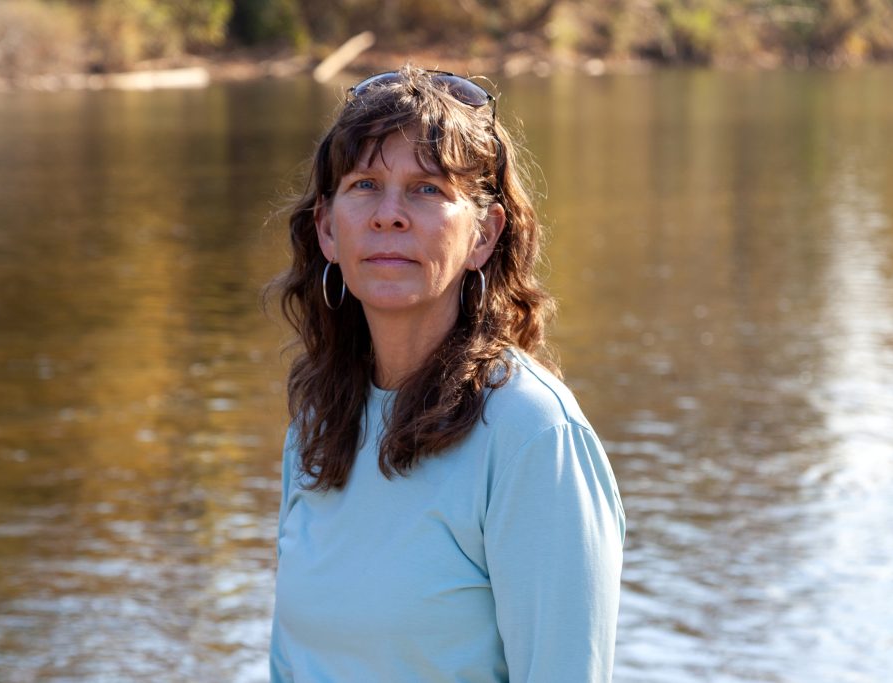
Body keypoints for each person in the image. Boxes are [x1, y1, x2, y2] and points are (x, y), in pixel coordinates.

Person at [264, 65, 626, 683]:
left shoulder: (532, 436)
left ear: (484, 235)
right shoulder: (320, 420)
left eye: (427, 190)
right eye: (365, 185)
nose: (389, 215)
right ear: (327, 229)